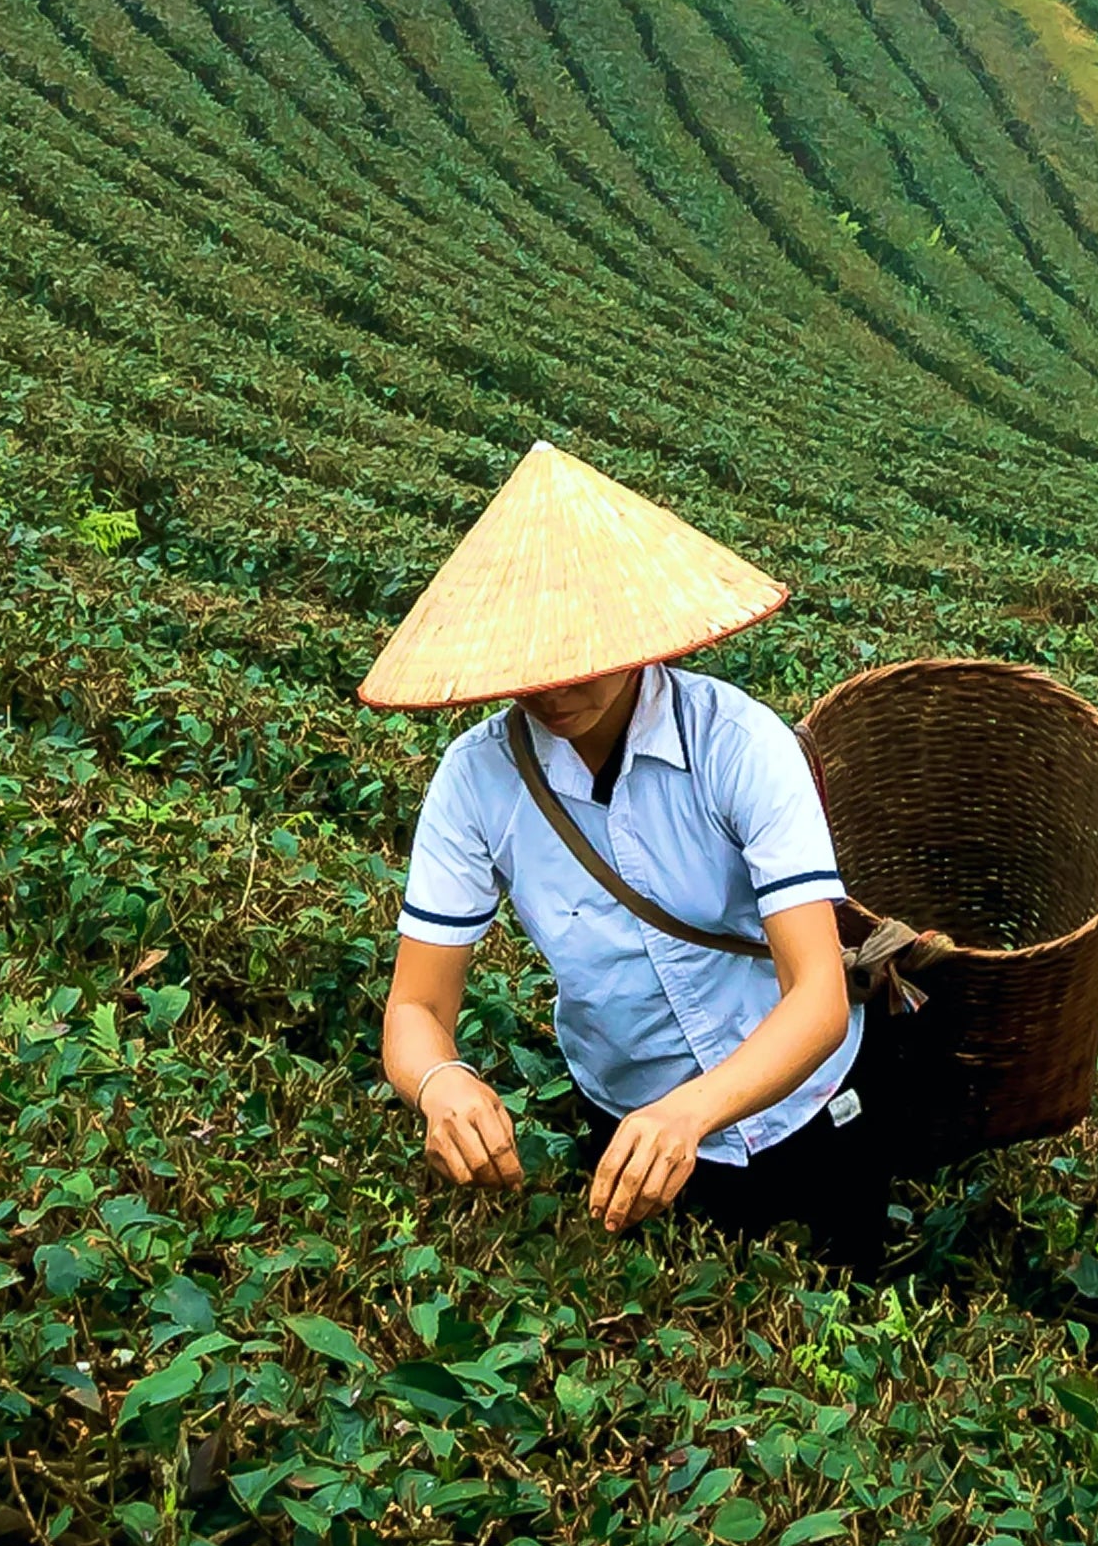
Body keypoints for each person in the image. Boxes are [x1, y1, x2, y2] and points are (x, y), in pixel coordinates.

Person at [366, 438, 910, 1271]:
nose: (554, 686)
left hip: (808, 1108)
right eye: (528, 660)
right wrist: (441, 1085)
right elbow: (416, 1011)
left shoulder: (737, 745)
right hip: (624, 1123)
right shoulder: (475, 781)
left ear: (636, 627)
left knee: (847, 1306)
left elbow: (818, 998)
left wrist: (688, 1114)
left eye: (580, 652)